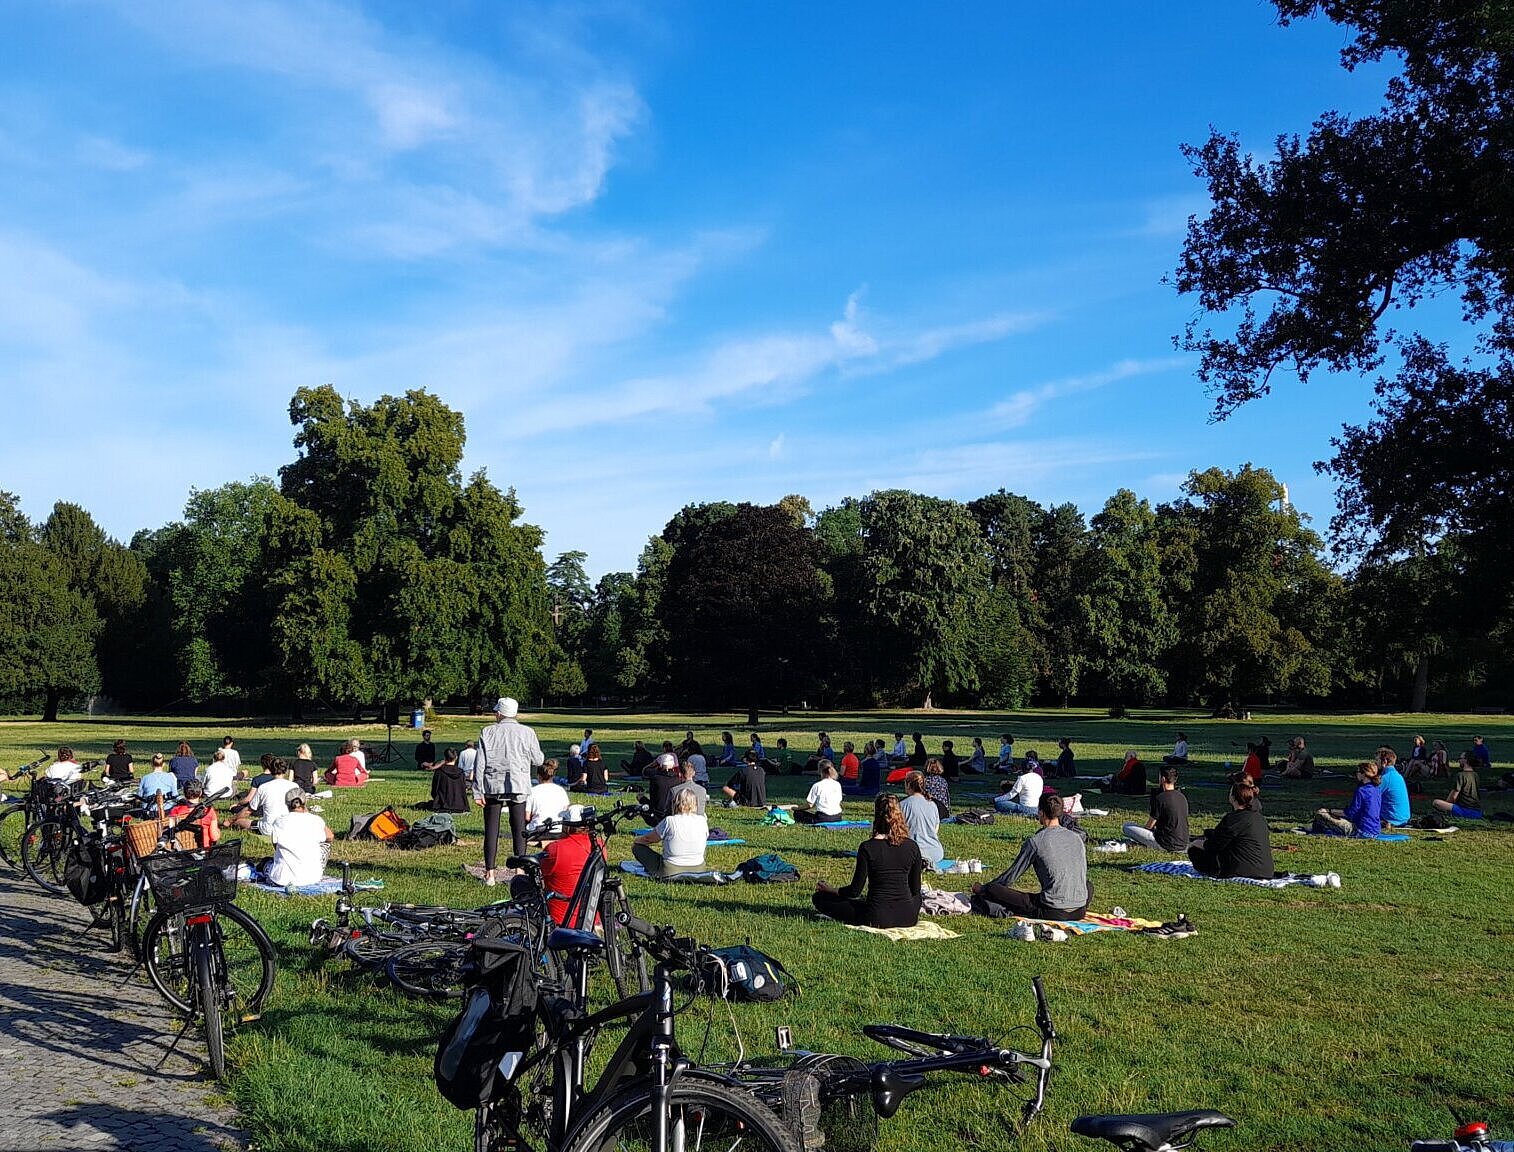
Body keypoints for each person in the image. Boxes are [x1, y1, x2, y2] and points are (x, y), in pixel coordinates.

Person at [969, 794, 1091, 920]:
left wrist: (985, 889)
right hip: (1079, 910)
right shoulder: (1076, 838)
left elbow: (1011, 876)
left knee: (994, 889)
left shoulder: (1036, 841)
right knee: (1088, 885)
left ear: (1042, 813)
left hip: (1052, 910)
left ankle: (986, 893)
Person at [812, 794, 923, 928]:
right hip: (908, 916)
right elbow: (915, 889)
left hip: (877, 917)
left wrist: (831, 890)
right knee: (916, 897)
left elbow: (854, 891)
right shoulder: (912, 846)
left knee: (819, 898)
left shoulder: (868, 847)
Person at [476, 696, 545, 885]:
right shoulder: (527, 732)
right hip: (518, 783)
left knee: (491, 830)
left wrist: (477, 790)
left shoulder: (487, 731)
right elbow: (538, 760)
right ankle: (519, 869)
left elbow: (480, 763)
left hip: (493, 784)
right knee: (519, 829)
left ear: (500, 713)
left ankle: (490, 873)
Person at [511, 822, 593, 926]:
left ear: (567, 826)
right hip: (590, 917)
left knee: (519, 882)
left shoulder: (556, 849)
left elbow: (539, 875)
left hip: (558, 917)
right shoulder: (598, 846)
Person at [1189, 778, 1273, 879]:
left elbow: (1215, 845)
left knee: (1195, 850)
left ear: (1233, 798)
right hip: (1266, 870)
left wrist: (1197, 843)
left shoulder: (1233, 819)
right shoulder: (1258, 817)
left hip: (1243, 870)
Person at [632, 789, 708, 877]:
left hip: (671, 869)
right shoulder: (702, 820)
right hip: (698, 869)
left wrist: (636, 841)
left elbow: (649, 839)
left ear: (675, 803)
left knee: (637, 847)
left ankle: (657, 869)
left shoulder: (670, 821)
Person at [265, 791, 334, 888]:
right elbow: (330, 836)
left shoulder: (278, 821)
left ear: (287, 804)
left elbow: (275, 845)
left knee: (268, 863)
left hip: (281, 878)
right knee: (325, 844)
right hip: (312, 878)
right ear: (305, 802)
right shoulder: (316, 820)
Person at [1123, 766, 1190, 852]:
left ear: (1162, 779)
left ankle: (1143, 843)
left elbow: (1149, 825)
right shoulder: (1182, 797)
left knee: (1127, 826)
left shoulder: (1160, 798)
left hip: (1165, 843)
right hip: (1183, 843)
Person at [1313, 761, 1383, 837]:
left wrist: (1329, 811)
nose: (1357, 774)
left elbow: (1350, 813)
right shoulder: (1377, 789)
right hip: (1375, 829)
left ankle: (1315, 829)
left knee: (1322, 814)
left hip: (1362, 830)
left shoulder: (1361, 790)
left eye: (1358, 771)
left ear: (1364, 774)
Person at [900, 771, 944, 869]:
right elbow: (935, 830)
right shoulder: (932, 805)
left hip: (911, 852)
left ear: (908, 785)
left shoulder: (902, 805)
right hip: (936, 852)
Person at [241, 760, 296, 834]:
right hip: (290, 828)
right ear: (286, 771)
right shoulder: (294, 786)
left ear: (271, 770)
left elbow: (248, 810)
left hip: (268, 829)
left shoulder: (263, 787)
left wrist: (231, 820)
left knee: (239, 821)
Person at [168, 781, 221, 848]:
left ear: (184, 794)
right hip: (203, 850)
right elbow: (214, 837)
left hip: (180, 850)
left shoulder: (175, 811)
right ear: (201, 793)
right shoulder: (208, 811)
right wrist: (218, 831)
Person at [1433, 753, 1483, 819]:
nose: (1459, 760)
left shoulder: (1460, 775)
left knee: (1436, 802)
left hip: (1465, 811)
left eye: (1460, 758)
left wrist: (1446, 804)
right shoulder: (1476, 775)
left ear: (1466, 760)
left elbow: (1453, 797)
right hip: (1478, 812)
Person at [526, 760, 571, 832]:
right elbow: (566, 811)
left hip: (537, 831)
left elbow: (527, 817)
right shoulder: (561, 790)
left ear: (538, 776)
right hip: (557, 830)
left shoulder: (532, 791)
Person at [641, 754, 682, 822]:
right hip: (673, 813)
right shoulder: (679, 780)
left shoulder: (655, 778)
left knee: (640, 798)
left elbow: (645, 771)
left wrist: (654, 763)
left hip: (657, 814)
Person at [428, 748, 471, 814]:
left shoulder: (439, 772)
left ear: (445, 757)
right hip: (460, 805)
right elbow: (463, 789)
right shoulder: (460, 773)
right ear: (456, 758)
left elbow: (434, 790)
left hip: (442, 804)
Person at [1377, 749, 1411, 827]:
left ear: (1384, 761)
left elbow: (1370, 797)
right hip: (1403, 818)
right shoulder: (1398, 776)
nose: (1375, 763)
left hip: (1391, 819)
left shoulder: (1385, 778)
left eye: (1377, 760)